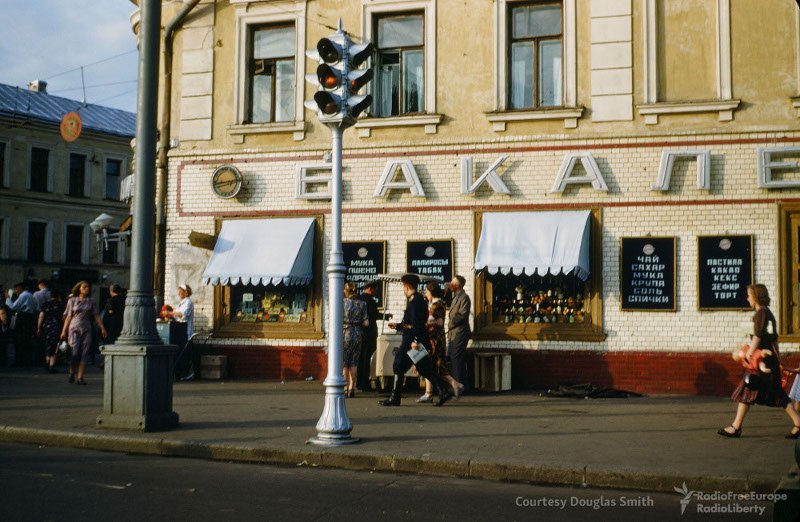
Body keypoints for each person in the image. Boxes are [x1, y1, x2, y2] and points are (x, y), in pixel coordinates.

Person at [718, 284, 800, 438]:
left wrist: (749, 354)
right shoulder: (768, 313)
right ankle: (736, 426)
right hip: (769, 359)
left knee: (751, 389)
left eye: (749, 295)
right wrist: (779, 359)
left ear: (756, 297)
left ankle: (736, 427)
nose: (747, 298)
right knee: (767, 392)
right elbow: (774, 339)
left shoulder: (761, 313)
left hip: (760, 360)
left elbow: (758, 335)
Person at [379, 274, 453, 407]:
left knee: (399, 365)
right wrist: (398, 326)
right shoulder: (418, 300)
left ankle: (395, 397)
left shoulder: (415, 301)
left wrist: (415, 340)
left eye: (403, 286)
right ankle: (444, 390)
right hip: (417, 340)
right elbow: (412, 323)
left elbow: (417, 324)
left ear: (406, 286)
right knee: (425, 368)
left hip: (411, 342)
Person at [60, 281, 107, 385]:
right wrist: (63, 331)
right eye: (84, 287)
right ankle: (72, 372)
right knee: (75, 352)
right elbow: (68, 316)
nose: (87, 288)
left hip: (87, 328)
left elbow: (96, 315)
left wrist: (102, 328)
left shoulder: (91, 301)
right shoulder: (72, 300)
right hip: (74, 328)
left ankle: (80, 377)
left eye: (88, 287)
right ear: (79, 289)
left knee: (85, 353)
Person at [343, 282, 368, 397]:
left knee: (345, 363)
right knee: (354, 362)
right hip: (357, 334)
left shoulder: (342, 303)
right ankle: (352, 388)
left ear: (346, 291)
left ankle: (345, 388)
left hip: (345, 333)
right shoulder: (362, 304)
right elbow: (366, 323)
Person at [446, 275, 471, 390]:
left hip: (460, 332)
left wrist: (450, 324)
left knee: (456, 359)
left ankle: (458, 386)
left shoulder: (464, 297)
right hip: (454, 333)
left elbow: (462, 315)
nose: (450, 284)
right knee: (454, 358)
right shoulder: (456, 297)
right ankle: (461, 385)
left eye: (452, 283)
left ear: (458, 285)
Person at [356, 281, 380, 392]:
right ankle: (365, 383)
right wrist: (385, 316)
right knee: (367, 359)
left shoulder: (358, 299)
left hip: (359, 332)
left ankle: (359, 382)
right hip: (369, 334)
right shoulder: (370, 301)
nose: (376, 292)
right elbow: (373, 315)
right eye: (375, 289)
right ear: (370, 289)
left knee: (360, 359)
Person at [6, 282, 37, 366]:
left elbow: (13, 306)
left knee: (19, 339)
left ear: (20, 288)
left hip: (22, 317)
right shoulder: (31, 295)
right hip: (30, 317)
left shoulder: (23, 296)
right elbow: (36, 307)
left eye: (16, 289)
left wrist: (8, 299)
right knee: (27, 339)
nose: (16, 291)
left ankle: (19, 360)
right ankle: (27, 359)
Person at [37, 290, 66, 373]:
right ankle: (52, 365)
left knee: (47, 344)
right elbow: (64, 317)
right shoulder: (61, 305)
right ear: (58, 296)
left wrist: (39, 327)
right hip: (57, 326)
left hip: (46, 326)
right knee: (55, 345)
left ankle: (47, 363)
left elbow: (41, 316)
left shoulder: (45, 304)